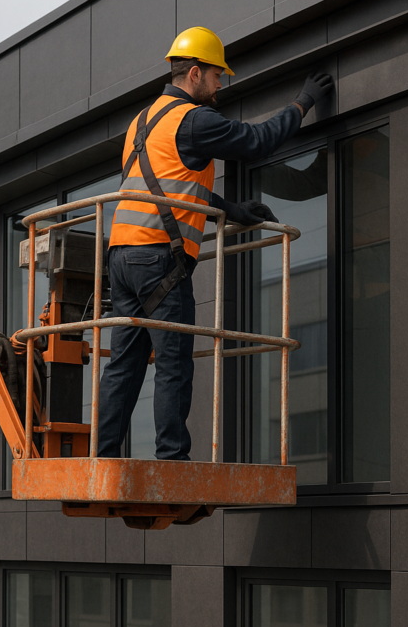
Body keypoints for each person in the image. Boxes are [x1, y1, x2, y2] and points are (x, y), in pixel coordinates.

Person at [96, 26, 334, 460]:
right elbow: (257, 142)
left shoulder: (142, 122)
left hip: (121, 257)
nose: (220, 83)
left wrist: (232, 211)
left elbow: (170, 185)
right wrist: (303, 103)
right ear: (193, 73)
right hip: (158, 260)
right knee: (173, 362)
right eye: (216, 74)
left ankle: (103, 454)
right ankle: (172, 458)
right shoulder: (195, 120)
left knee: (124, 365)